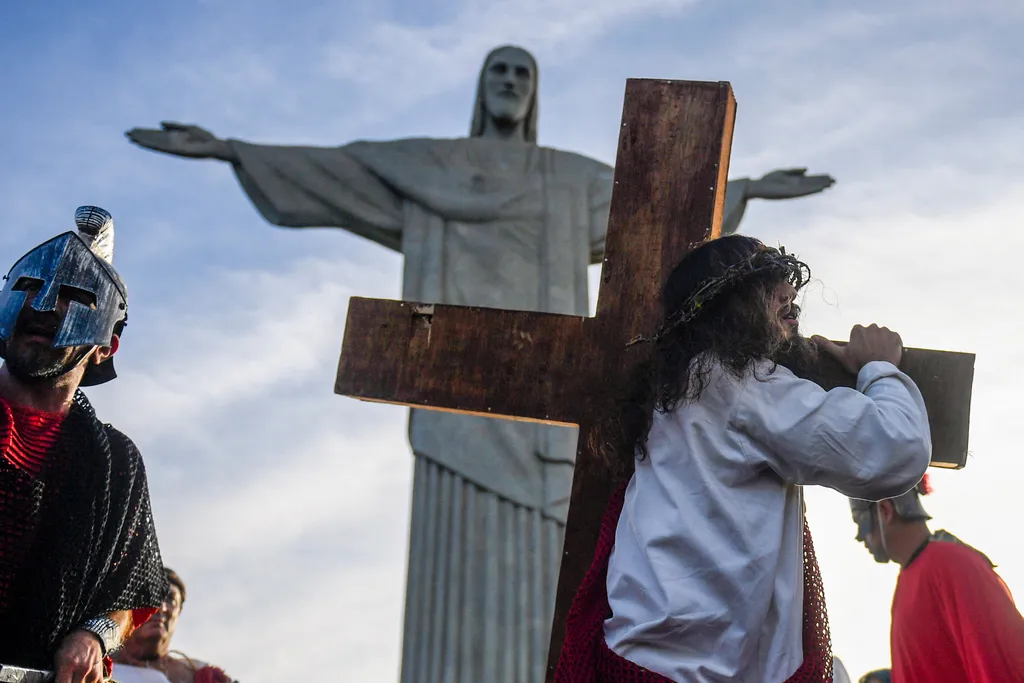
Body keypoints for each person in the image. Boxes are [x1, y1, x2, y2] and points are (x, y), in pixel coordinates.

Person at [125, 46, 836, 681]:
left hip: (554, 406)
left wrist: (749, 188)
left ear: (534, 95)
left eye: (521, 74)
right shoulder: (431, 163)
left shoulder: (563, 179)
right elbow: (343, 167)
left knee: (552, 559)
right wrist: (230, 149)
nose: (508, 83)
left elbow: (659, 194)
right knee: (457, 559)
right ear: (480, 87)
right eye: (497, 70)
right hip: (456, 392)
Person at [554, 234, 932, 682]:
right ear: (728, 304)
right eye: (768, 285)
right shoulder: (739, 385)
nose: (789, 296)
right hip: (692, 670)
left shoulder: (671, 396)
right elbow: (894, 448)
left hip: (641, 660)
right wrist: (879, 367)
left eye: (788, 287)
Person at [0, 206, 167, 683]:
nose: (44, 305)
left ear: (106, 346)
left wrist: (93, 636)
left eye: (74, 297)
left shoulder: (114, 462)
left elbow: (129, 595)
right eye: (30, 288)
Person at [850, 476, 1024, 681]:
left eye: (861, 522)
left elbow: (1003, 666)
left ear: (885, 511)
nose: (860, 538)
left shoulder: (954, 565)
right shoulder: (907, 580)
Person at [112, 568, 234, 683]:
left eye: (170, 599)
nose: (161, 608)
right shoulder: (97, 664)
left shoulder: (204, 677)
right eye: (148, 597)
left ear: (179, 611)